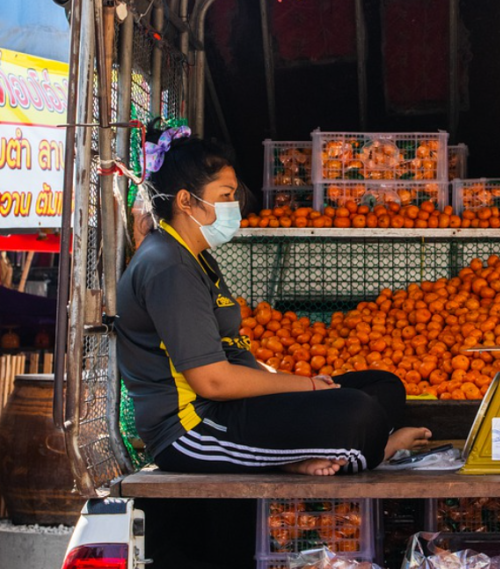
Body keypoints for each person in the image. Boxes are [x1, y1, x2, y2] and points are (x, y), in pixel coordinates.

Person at [115, 126, 431, 476]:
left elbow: (233, 358)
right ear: (186, 201)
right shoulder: (168, 267)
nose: (233, 206)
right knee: (358, 411)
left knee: (382, 386)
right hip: (192, 430)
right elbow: (214, 382)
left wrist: (300, 386)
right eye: (223, 195)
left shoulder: (194, 255)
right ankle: (381, 449)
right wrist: (306, 386)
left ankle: (295, 456)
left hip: (230, 407)